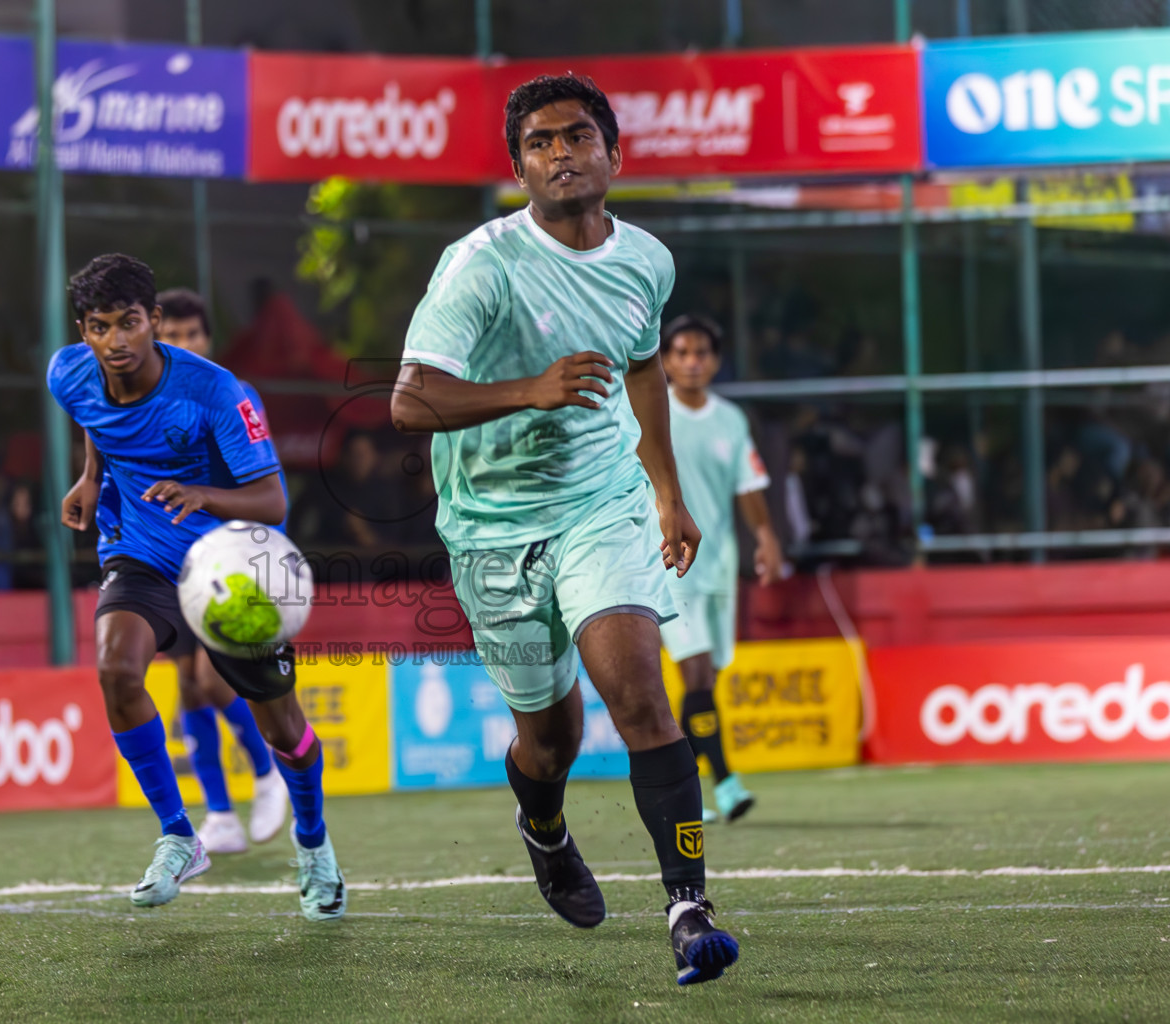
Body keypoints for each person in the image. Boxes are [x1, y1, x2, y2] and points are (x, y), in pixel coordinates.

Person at [392, 73, 737, 986]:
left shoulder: (647, 260)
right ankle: (543, 825)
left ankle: (689, 906)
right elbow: (409, 400)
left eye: (577, 136)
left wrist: (665, 487)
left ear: (613, 155)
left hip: (601, 505)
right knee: (549, 740)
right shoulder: (481, 267)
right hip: (492, 528)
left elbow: (642, 369)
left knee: (639, 696)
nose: (560, 153)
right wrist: (529, 388)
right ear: (519, 169)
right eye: (540, 143)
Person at [50, 255, 345, 919]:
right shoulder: (67, 372)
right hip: (142, 557)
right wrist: (92, 478)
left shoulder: (217, 392)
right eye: (102, 327)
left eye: (131, 323)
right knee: (115, 672)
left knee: (284, 724)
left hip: (228, 565)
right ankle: (181, 835)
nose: (118, 341)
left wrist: (201, 493)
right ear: (84, 331)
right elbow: (97, 421)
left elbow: (272, 500)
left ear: (154, 321)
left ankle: (314, 843)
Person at [155, 286, 289, 854]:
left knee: (213, 680)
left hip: (235, 558)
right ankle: (220, 814)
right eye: (173, 336)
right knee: (188, 684)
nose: (185, 344)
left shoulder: (234, 394)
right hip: (175, 555)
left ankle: (266, 771)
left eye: (193, 335)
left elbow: (266, 487)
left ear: (208, 340)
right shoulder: (148, 403)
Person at [657, 314, 784, 824]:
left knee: (705, 679)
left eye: (701, 352)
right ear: (664, 360)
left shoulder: (730, 419)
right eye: (681, 352)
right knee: (698, 672)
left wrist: (768, 537)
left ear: (715, 361)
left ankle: (680, 789)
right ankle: (727, 782)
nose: (692, 361)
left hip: (720, 563)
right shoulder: (650, 412)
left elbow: (747, 485)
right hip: (668, 561)